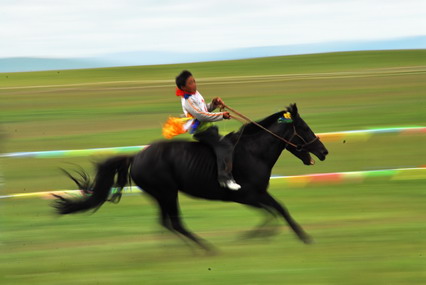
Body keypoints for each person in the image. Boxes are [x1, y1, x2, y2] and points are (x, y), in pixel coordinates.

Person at [174, 70, 241, 191]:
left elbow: (204, 110)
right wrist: (221, 115)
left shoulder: (195, 93)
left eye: (194, 81)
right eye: (190, 83)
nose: (194, 84)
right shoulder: (187, 100)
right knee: (225, 146)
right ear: (183, 87)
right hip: (202, 131)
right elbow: (201, 116)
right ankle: (224, 179)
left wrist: (214, 104)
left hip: (209, 128)